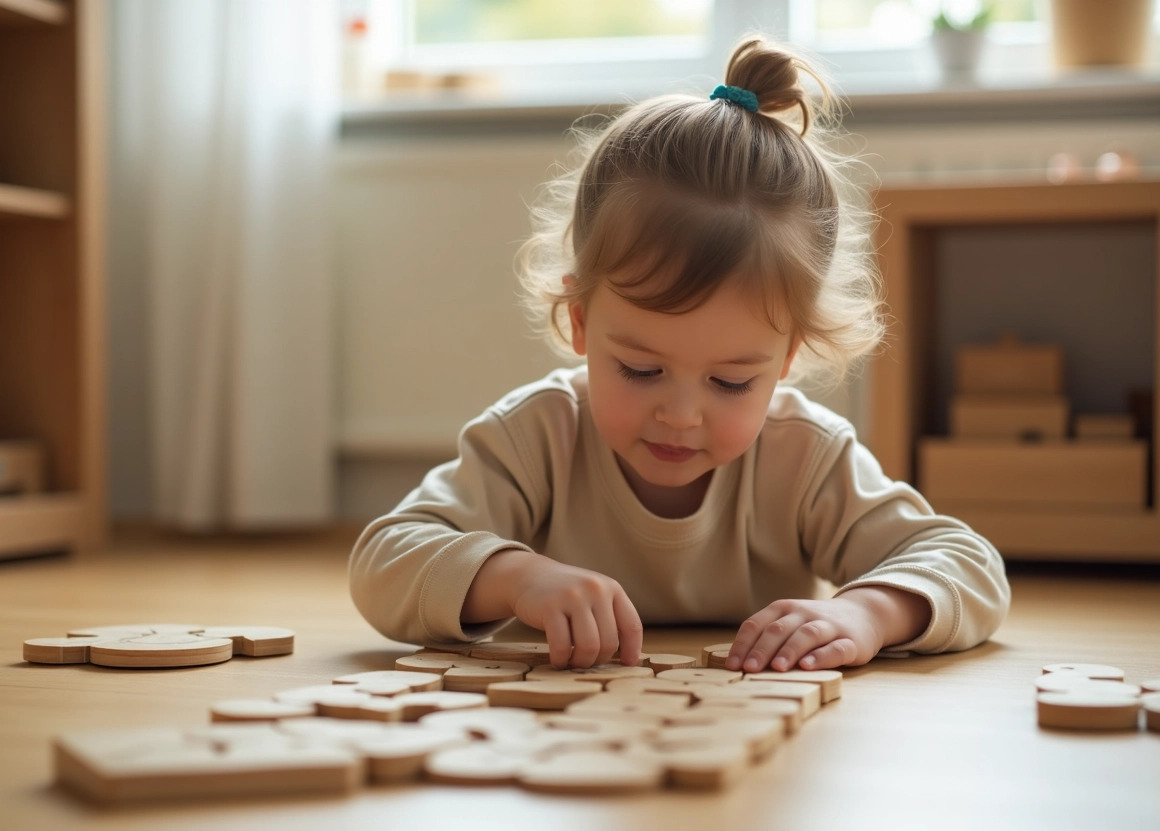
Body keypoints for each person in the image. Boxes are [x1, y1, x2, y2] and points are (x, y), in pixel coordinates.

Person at [348, 35, 1010, 673]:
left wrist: (869, 613)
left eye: (729, 382)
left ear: (786, 360)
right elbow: (384, 560)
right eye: (640, 370)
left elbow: (964, 562)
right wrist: (516, 578)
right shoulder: (538, 434)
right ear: (580, 322)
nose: (681, 414)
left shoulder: (804, 455)